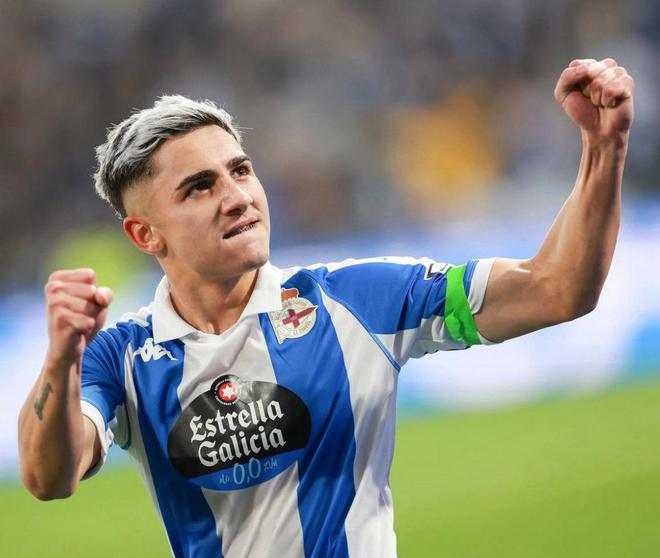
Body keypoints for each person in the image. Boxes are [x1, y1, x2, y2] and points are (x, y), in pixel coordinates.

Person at [18, 58, 634, 558]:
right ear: (145, 234)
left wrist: (603, 147)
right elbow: (49, 478)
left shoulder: (357, 299)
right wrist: (61, 358)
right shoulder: (119, 357)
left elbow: (556, 289)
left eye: (240, 170)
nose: (237, 197)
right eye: (200, 187)